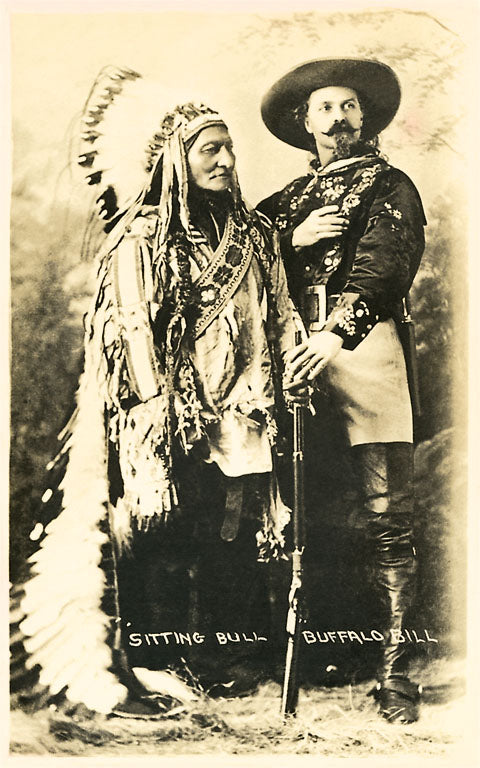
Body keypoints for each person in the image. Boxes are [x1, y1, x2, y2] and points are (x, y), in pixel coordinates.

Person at [11, 67, 299, 718]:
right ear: (176, 160)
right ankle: (158, 659)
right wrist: (156, 406)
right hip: (164, 412)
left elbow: (278, 313)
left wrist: (286, 376)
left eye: (229, 148)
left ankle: (224, 662)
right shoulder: (141, 239)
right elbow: (130, 326)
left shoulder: (254, 234)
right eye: (210, 150)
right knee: (164, 533)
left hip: (244, 407)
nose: (226, 161)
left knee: (232, 534)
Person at [257, 58, 426, 723]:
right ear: (305, 122)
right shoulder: (282, 204)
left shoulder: (390, 185)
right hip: (290, 354)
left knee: (388, 516)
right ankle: (315, 658)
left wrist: (336, 333)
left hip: (363, 347)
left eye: (349, 106)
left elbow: (387, 263)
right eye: (325, 108)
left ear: (364, 117)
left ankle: (395, 676)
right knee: (301, 509)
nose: (339, 118)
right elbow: (236, 258)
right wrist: (288, 239)